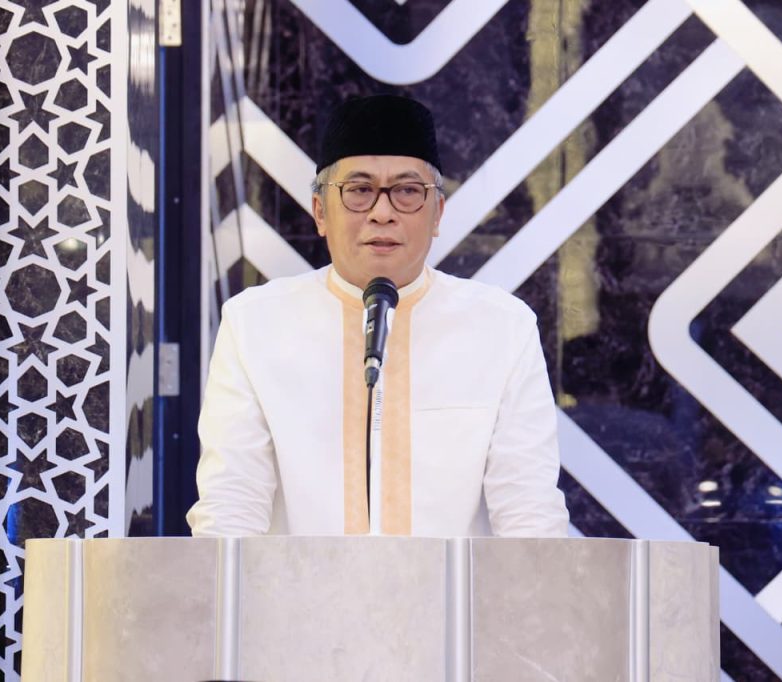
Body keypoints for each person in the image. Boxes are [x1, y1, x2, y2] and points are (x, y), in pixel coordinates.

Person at [187, 94, 568, 537]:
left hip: (454, 585)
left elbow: (529, 517)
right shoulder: (255, 325)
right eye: (359, 191)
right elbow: (230, 508)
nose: (382, 213)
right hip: (298, 585)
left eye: (407, 192)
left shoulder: (502, 329)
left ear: (438, 213)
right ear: (320, 212)